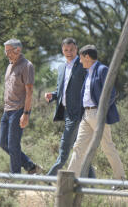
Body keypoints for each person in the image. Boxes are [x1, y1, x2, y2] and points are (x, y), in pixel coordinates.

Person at [68, 44, 125, 183]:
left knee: (108, 148)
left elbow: (111, 94)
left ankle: (121, 181)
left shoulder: (102, 70)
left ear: (87, 57)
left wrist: (101, 112)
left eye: (81, 58)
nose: (80, 62)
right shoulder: (88, 72)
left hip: (97, 115)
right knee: (78, 147)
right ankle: (68, 181)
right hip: (86, 116)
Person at [45, 38, 95, 177]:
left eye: (71, 50)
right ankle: (91, 182)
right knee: (79, 149)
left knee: (64, 148)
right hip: (66, 113)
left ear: (77, 50)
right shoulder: (61, 67)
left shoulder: (82, 65)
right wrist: (53, 95)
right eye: (66, 50)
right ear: (62, 50)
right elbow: (61, 89)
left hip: (78, 113)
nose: (69, 52)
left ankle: (50, 178)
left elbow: (90, 85)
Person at [0, 38, 41, 174]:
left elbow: (29, 92)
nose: (6, 54)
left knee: (13, 145)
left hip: (18, 110)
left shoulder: (27, 66)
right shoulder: (9, 65)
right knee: (3, 144)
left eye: (9, 51)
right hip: (7, 110)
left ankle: (15, 179)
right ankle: (30, 166)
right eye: (5, 51)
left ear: (18, 50)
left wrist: (26, 114)